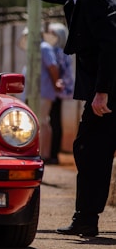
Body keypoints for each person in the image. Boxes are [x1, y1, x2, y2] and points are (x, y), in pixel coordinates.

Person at [0, 0, 116, 237]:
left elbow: (111, 45)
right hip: (104, 90)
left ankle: (86, 218)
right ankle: (86, 218)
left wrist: (103, 91)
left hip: (109, 93)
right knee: (89, 150)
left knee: (90, 150)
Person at [18, 27, 62, 164]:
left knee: (41, 122)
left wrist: (55, 84)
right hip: (36, 92)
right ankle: (42, 153)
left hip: (43, 92)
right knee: (40, 122)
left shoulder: (44, 47)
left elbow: (53, 67)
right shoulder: (36, 49)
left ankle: (43, 154)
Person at [46, 22, 74, 165]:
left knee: (54, 122)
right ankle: (54, 153)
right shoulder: (62, 51)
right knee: (55, 121)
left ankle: (53, 154)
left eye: (53, 34)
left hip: (56, 92)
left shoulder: (56, 51)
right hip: (60, 91)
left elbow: (56, 71)